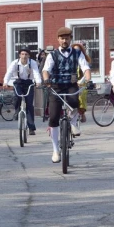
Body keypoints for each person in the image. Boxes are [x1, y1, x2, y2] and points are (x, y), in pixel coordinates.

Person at [42, 27, 92, 163]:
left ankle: (74, 123)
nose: (64, 41)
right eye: (62, 38)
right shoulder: (52, 55)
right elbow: (46, 69)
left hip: (71, 85)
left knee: (74, 101)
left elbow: (85, 67)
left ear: (71, 39)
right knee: (53, 117)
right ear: (58, 39)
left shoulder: (77, 53)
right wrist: (46, 80)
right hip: (56, 86)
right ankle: (55, 150)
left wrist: (87, 79)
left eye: (67, 38)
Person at [3, 48, 42, 135]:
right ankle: (17, 111)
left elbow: (36, 73)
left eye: (26, 54)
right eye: (22, 54)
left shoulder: (32, 63)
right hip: (18, 82)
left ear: (28, 55)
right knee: (17, 97)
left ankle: (31, 128)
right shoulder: (15, 63)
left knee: (29, 105)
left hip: (29, 83)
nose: (24, 56)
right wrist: (5, 82)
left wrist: (38, 82)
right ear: (20, 55)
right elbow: (9, 72)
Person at [71, 43, 91, 123]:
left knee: (81, 99)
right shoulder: (70, 60)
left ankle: (82, 113)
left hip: (82, 82)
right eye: (74, 49)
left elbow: (86, 72)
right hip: (72, 82)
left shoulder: (84, 60)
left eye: (78, 49)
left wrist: (82, 81)